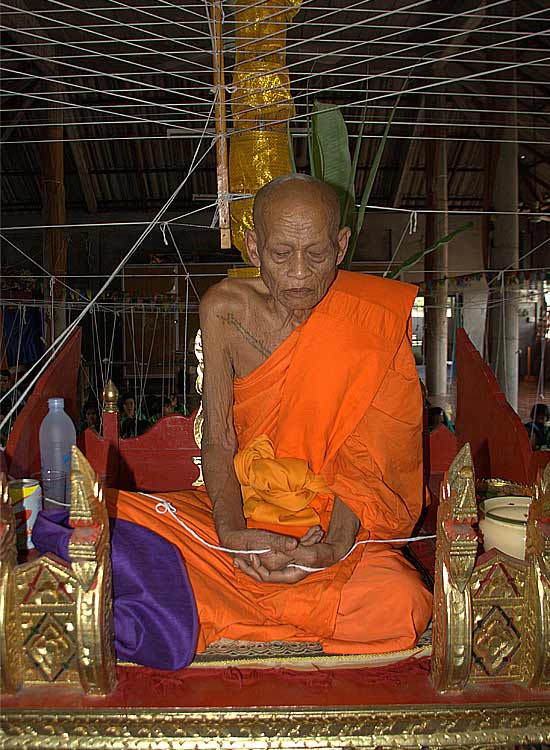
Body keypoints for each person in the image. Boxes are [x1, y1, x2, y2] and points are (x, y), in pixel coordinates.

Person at [105, 174, 432, 656]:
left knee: (403, 602)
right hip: (242, 509)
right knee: (108, 525)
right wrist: (232, 533)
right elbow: (219, 438)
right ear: (254, 247)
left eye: (316, 254)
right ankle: (267, 603)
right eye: (281, 254)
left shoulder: (370, 319)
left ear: (341, 246)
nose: (299, 273)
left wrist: (331, 549)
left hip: (331, 522)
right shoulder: (225, 310)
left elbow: (368, 465)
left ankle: (215, 604)